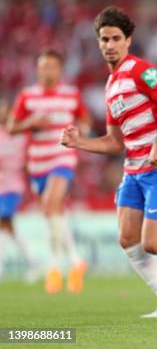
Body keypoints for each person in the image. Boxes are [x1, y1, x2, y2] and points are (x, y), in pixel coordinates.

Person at [60, 6, 157, 318]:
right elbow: (115, 141)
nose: (110, 44)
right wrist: (80, 143)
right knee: (128, 239)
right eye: (104, 39)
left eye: (116, 38)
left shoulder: (141, 70)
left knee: (154, 245)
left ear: (128, 40)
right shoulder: (110, 85)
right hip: (133, 170)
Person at [8, 49, 90, 293]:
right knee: (54, 213)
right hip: (37, 164)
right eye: (43, 67)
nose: (47, 71)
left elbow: (85, 121)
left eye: (52, 67)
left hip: (62, 158)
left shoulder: (71, 95)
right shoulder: (27, 96)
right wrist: (30, 123)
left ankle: (54, 267)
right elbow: (11, 127)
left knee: (52, 204)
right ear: (37, 69)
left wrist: (79, 131)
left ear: (60, 70)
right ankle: (75, 260)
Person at [0, 100, 37, 281]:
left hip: (13, 186)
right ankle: (32, 263)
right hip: (1, 187)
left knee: (4, 222)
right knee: (9, 228)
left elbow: (27, 161)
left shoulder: (21, 136)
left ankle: (2, 265)